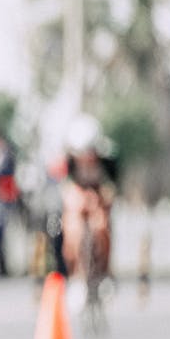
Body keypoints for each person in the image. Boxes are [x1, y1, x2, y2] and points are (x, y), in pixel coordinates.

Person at [60, 113, 118, 281]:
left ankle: (104, 270)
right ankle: (75, 271)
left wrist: (101, 199)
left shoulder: (107, 160)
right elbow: (66, 187)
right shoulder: (70, 161)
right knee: (73, 229)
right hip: (77, 195)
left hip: (97, 196)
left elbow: (111, 187)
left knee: (101, 226)